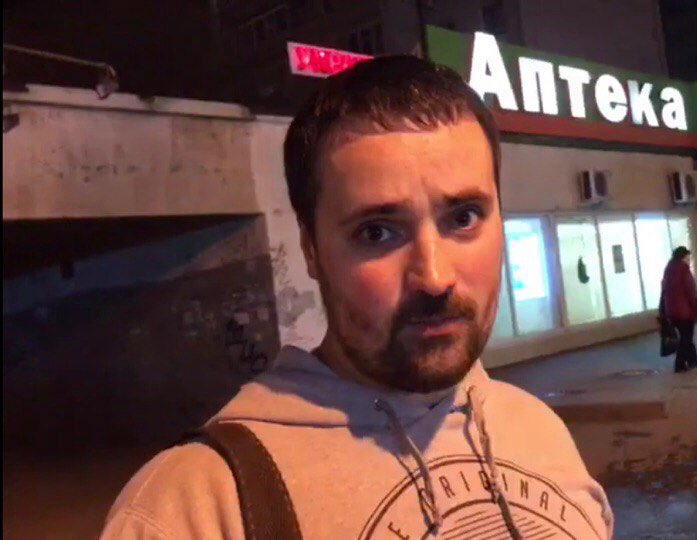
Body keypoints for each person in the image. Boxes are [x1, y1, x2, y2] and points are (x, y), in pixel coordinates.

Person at [102, 56, 613, 539]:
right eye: (377, 232)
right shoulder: (196, 505)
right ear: (311, 249)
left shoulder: (538, 430)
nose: (434, 277)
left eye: (463, 218)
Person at [662, 246, 697, 373]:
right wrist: (696, 306)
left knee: (686, 336)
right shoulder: (684, 270)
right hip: (684, 311)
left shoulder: (668, 270)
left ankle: (693, 360)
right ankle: (679, 364)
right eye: (687, 257)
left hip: (671, 310)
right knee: (686, 337)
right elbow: (690, 291)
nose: (689, 259)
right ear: (682, 258)